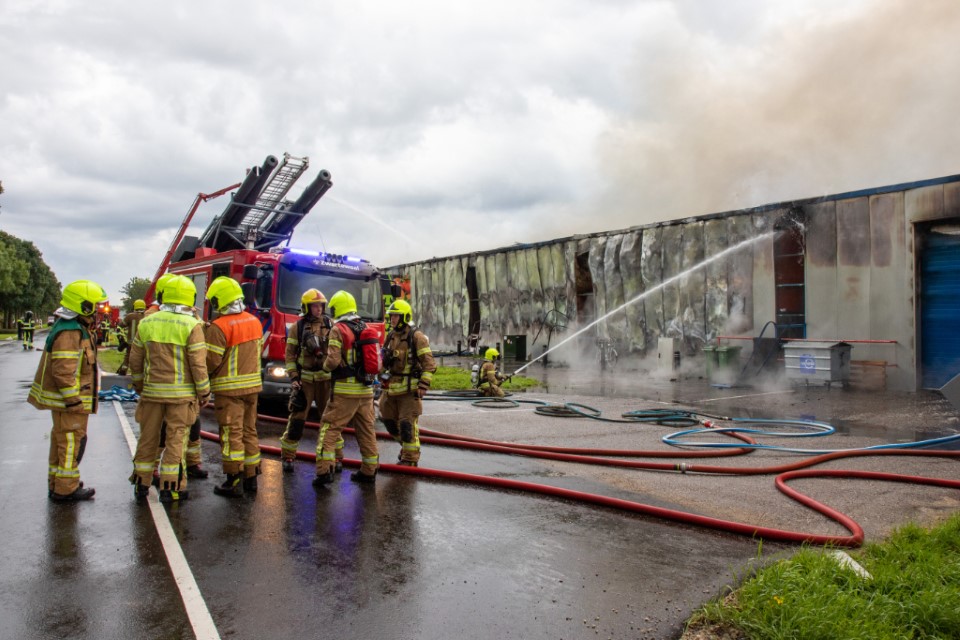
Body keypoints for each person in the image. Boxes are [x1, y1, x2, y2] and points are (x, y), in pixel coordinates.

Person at [128, 275, 210, 503]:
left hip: (152, 394)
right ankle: (171, 488)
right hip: (181, 397)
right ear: (190, 297)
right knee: (176, 440)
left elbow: (135, 360)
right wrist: (204, 393)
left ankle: (141, 484)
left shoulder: (147, 322)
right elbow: (198, 364)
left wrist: (140, 386)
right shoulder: (192, 325)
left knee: (148, 438)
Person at [28, 280, 109, 501]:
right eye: (94, 306)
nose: (97, 311)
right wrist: (73, 400)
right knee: (72, 441)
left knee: (62, 440)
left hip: (67, 401)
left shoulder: (72, 327)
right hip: (70, 402)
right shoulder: (71, 332)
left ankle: (59, 482)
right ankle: (65, 488)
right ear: (83, 306)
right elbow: (64, 371)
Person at [203, 277, 264, 497]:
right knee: (249, 431)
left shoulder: (219, 326)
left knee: (231, 434)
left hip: (229, 391)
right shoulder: (254, 321)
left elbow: (211, 361)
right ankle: (251, 477)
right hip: (253, 388)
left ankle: (233, 478)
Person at [313, 290, 379, 486]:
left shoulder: (338, 329)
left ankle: (324, 471)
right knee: (367, 431)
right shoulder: (365, 326)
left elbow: (333, 360)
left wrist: (323, 367)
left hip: (344, 391)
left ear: (337, 308)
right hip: (366, 391)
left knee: (329, 428)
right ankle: (369, 471)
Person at [279, 289, 344, 473]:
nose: (318, 309)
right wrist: (293, 377)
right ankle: (288, 456)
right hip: (305, 380)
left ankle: (337, 456)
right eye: (315, 306)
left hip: (325, 380)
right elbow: (290, 355)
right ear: (306, 307)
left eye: (321, 305)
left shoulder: (331, 325)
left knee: (331, 420)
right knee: (297, 418)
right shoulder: (297, 328)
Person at [379, 300, 436, 467]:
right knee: (388, 421)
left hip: (409, 391)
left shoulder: (416, 336)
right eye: (391, 316)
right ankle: (406, 448)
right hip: (391, 389)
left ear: (404, 316)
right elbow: (383, 360)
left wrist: (423, 386)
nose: (392, 319)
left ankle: (410, 458)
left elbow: (429, 364)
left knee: (406, 424)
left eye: (395, 316)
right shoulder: (391, 336)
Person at [116, 299, 146, 376]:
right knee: (143, 359)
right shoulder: (147, 316)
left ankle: (123, 370)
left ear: (134, 306)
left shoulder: (130, 316)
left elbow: (121, 325)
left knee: (128, 358)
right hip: (144, 344)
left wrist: (121, 338)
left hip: (131, 343)